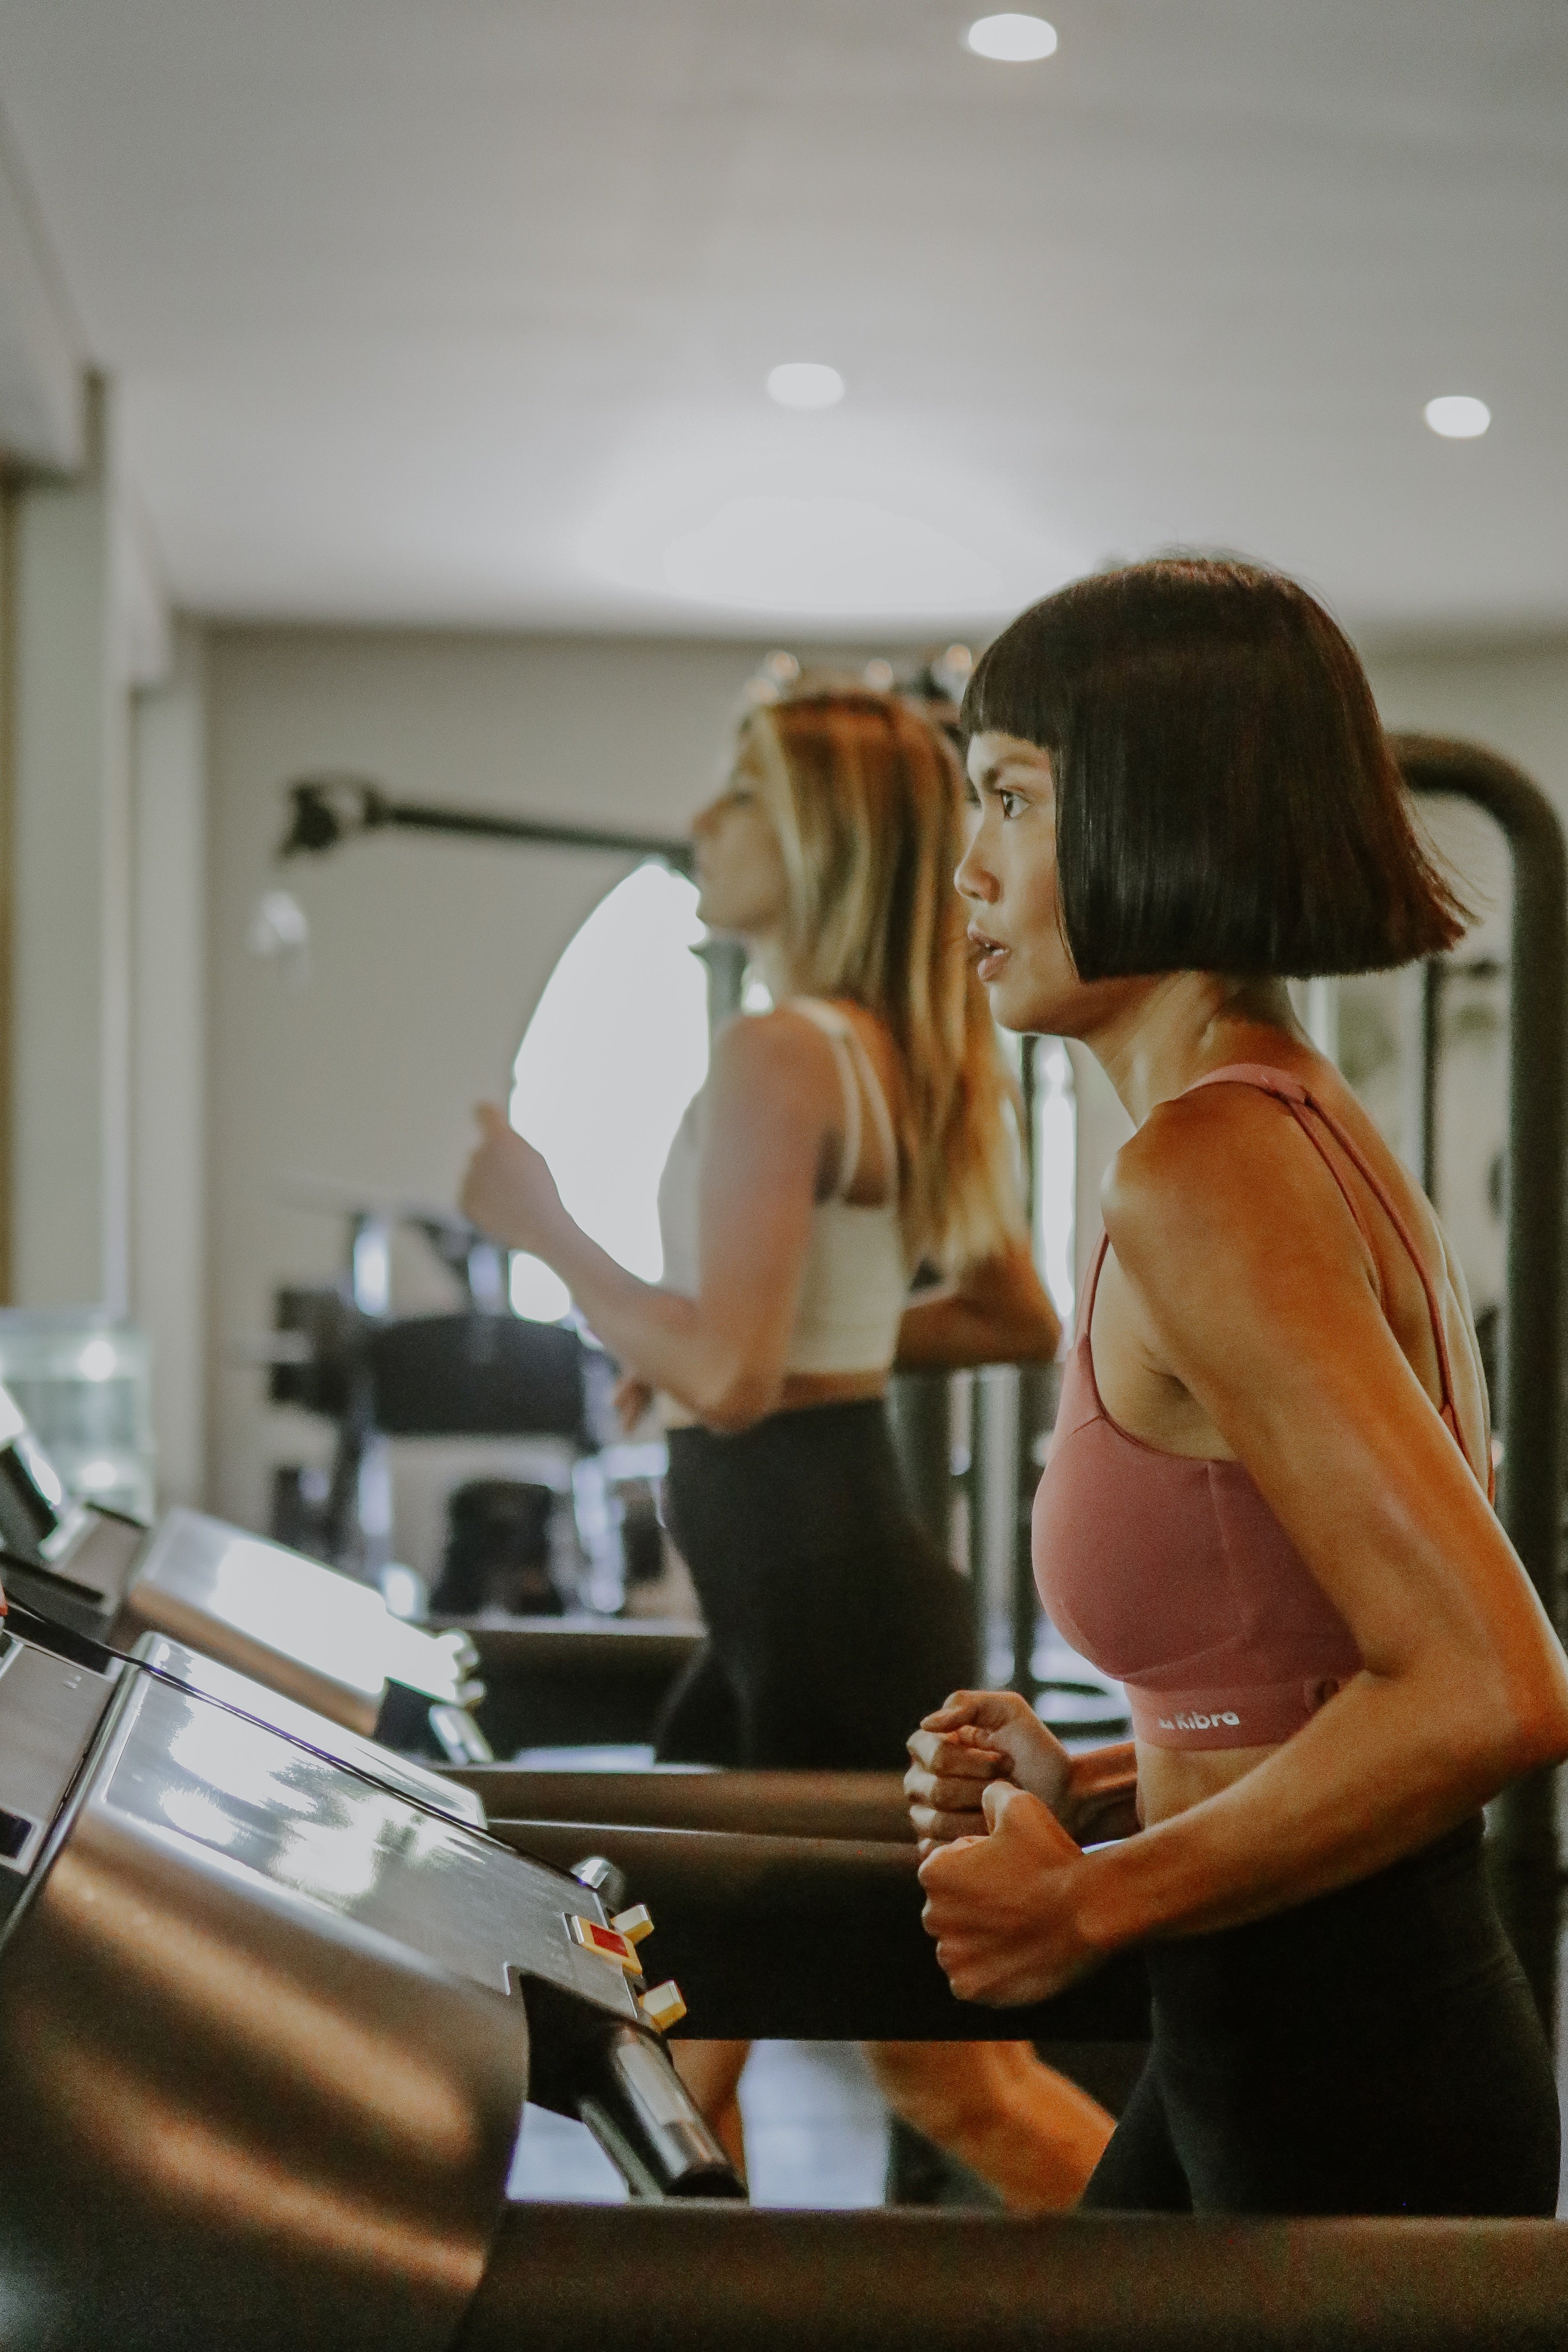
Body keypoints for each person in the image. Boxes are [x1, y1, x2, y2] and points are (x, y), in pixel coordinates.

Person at [905, 557, 1568, 2217]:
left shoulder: (1208, 1169)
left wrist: (1087, 1907)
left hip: (1343, 2063)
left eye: (1010, 801)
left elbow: (1493, 1687)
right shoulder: (1273, 1123)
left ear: (1158, 811)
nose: (970, 868)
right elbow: (1310, 1675)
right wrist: (1095, 1783)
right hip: (1274, 2030)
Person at [460, 679, 1112, 2204]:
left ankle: (1238, 2301)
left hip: (826, 1621)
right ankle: (699, 2301)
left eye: (741, 791)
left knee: (955, 2085)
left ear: (819, 836)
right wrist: (706, 1356)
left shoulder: (778, 1054)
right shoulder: (880, 1046)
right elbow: (993, 1313)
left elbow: (737, 1377)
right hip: (794, 1608)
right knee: (675, 2047)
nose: (703, 821)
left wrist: (540, 1224)